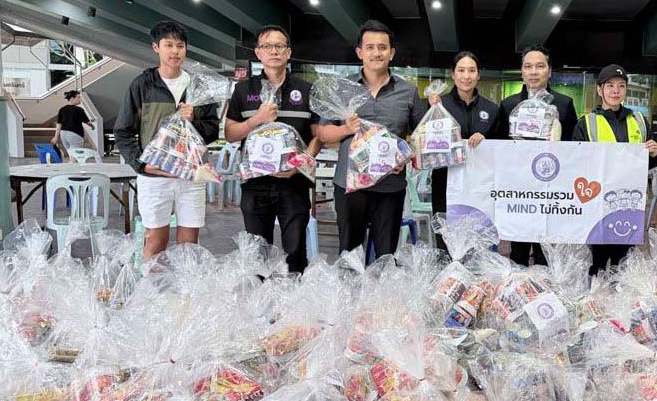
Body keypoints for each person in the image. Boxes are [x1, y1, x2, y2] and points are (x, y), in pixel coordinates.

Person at [317, 20, 426, 259]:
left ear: (391, 53)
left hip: (390, 185)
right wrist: (346, 129)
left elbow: (421, 137)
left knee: (386, 256)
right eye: (370, 47)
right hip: (350, 185)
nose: (376, 53)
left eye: (382, 47)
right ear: (360, 52)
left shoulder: (408, 91)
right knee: (350, 254)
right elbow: (323, 134)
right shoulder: (343, 88)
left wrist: (405, 157)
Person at [116, 20, 221, 261]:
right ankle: (152, 284)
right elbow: (123, 131)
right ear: (156, 48)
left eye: (180, 46)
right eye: (169, 45)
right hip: (155, 177)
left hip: (191, 175)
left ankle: (183, 285)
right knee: (155, 240)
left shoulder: (198, 87)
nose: (175, 51)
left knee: (189, 243)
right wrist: (142, 165)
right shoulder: (142, 84)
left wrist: (193, 119)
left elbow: (213, 131)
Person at [225, 25, 322, 273]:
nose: (274, 51)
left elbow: (318, 136)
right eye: (267, 46)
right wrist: (256, 120)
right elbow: (230, 134)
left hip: (294, 183)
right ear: (258, 53)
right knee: (258, 254)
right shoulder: (243, 90)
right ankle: (261, 296)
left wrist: (301, 163)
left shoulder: (307, 90)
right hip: (255, 184)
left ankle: (294, 296)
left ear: (288, 52)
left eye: (279, 46)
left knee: (296, 252)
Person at [569, 64, 657, 275]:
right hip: (597, 204)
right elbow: (577, 164)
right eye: (609, 85)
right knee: (597, 261)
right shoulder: (586, 123)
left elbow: (650, 163)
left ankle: (619, 295)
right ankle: (595, 294)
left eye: (621, 86)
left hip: (629, 203)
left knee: (623, 262)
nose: (615, 91)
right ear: (599, 90)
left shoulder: (639, 120)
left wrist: (654, 153)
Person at [493, 44, 579, 266]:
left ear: (549, 71)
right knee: (518, 251)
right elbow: (499, 147)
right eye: (528, 66)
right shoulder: (509, 105)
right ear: (522, 71)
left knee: (547, 251)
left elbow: (574, 148)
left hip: (552, 190)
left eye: (540, 66)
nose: (534, 72)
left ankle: (544, 287)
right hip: (519, 190)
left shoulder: (564, 104)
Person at [425, 51, 499, 250]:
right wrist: (433, 112)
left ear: (478, 75)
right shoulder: (439, 105)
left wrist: (485, 140)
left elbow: (500, 147)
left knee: (478, 236)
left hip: (480, 184)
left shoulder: (492, 109)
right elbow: (426, 143)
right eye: (461, 70)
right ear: (453, 74)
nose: (466, 76)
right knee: (446, 237)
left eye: (472, 70)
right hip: (444, 181)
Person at [52, 90, 96, 162]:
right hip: (75, 134)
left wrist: (56, 137)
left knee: (71, 155)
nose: (80, 99)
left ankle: (71, 166)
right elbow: (87, 122)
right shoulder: (79, 110)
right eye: (78, 97)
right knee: (75, 157)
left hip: (63, 134)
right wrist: (92, 126)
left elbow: (59, 124)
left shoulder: (62, 109)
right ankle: (70, 167)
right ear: (72, 98)